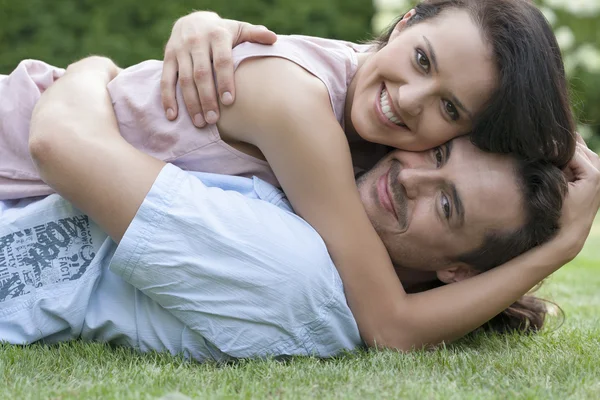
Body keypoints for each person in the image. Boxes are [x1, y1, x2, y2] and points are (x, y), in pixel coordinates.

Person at [0, 1, 581, 349]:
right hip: (20, 148)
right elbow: (390, 325)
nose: (409, 98)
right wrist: (557, 248)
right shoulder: (300, 107)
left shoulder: (365, 109)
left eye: (449, 109)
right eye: (423, 60)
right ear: (403, 25)